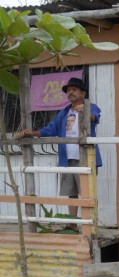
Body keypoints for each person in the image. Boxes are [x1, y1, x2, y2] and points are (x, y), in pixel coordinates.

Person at [16, 77, 102, 229]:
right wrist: (33, 133)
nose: (70, 93)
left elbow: (95, 118)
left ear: (83, 93)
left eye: (74, 90)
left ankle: (90, 225)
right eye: (68, 91)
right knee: (71, 192)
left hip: (85, 158)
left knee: (88, 193)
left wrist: (85, 111)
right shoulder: (64, 112)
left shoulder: (90, 106)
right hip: (66, 159)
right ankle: (72, 225)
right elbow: (51, 129)